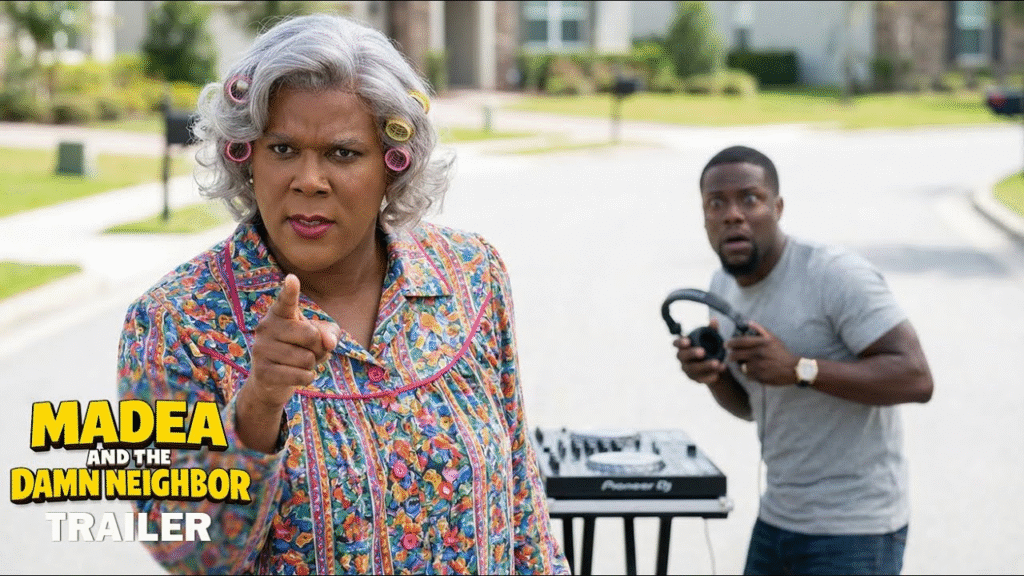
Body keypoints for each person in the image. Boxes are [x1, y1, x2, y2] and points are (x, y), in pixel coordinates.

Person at [117, 13, 568, 575]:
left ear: (392, 168)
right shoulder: (173, 323)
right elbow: (187, 553)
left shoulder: (470, 275)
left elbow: (522, 508)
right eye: (283, 149)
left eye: (343, 153)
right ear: (247, 157)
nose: (309, 179)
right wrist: (259, 405)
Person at [673, 145, 934, 575]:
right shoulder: (722, 287)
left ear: (777, 207)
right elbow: (750, 407)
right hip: (778, 518)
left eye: (750, 199)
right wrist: (713, 376)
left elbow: (916, 378)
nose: (733, 215)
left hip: (856, 531)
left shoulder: (834, 274)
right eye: (716, 203)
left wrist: (800, 369)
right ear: (704, 217)